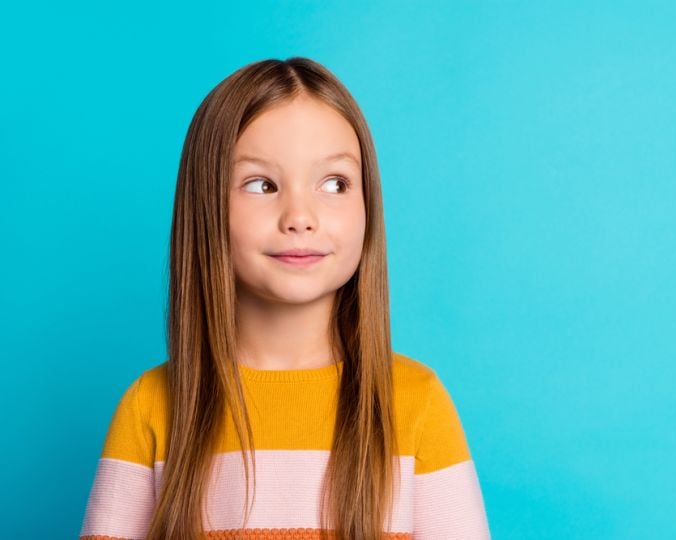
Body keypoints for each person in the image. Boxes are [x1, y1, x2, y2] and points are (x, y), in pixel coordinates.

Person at [78, 57, 490, 540]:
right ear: (207, 206)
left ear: (367, 205)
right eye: (261, 184)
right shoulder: (151, 407)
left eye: (335, 183)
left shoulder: (416, 404)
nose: (300, 216)